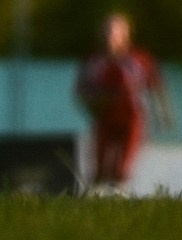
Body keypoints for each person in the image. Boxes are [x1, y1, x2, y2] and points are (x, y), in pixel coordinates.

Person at [73, 12, 173, 193]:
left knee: (123, 168)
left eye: (114, 32)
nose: (109, 36)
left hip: (131, 118)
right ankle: (96, 197)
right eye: (107, 31)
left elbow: (156, 86)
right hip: (104, 118)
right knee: (100, 167)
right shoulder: (94, 60)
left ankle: (119, 195)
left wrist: (164, 114)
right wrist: (94, 103)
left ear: (125, 34)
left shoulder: (139, 59)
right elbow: (81, 91)